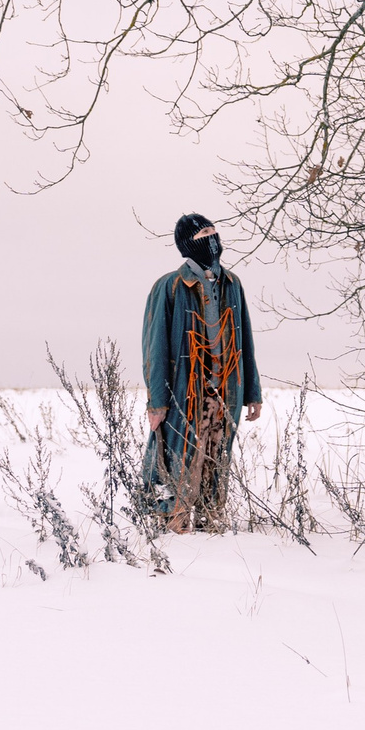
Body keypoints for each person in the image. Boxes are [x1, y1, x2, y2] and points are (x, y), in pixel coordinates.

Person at [140, 214, 262, 531]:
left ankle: (211, 525)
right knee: (176, 458)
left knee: (217, 460)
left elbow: (244, 339)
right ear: (187, 244)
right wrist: (157, 402)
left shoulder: (232, 284)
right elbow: (155, 347)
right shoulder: (169, 286)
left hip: (226, 390)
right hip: (185, 391)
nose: (212, 237)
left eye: (213, 230)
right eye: (203, 233)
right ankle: (173, 525)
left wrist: (252, 392)